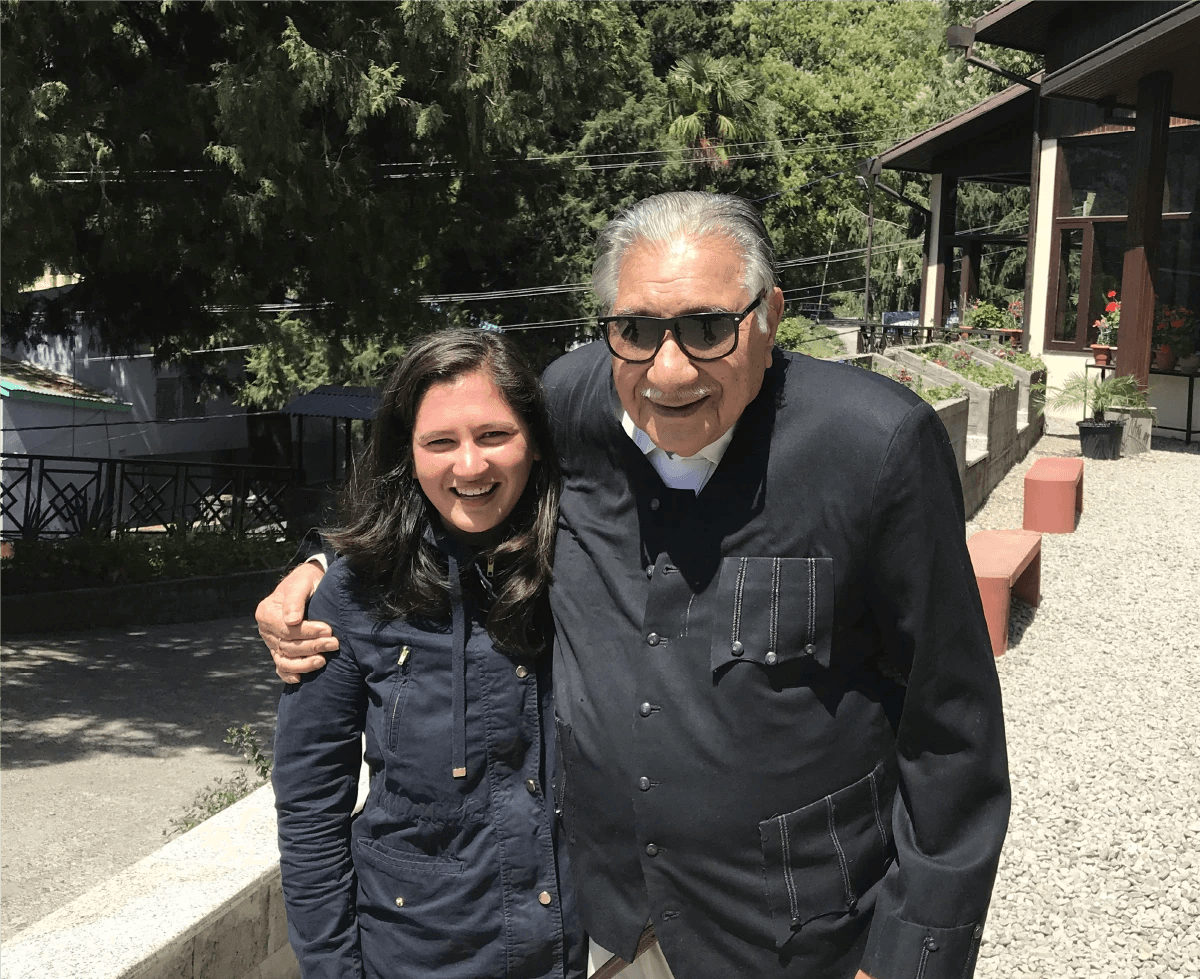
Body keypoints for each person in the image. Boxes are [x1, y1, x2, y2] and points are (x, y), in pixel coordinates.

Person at [260, 192, 1010, 979]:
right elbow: (458, 480)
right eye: (637, 330)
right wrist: (322, 567)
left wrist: (906, 960)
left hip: (798, 938)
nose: (669, 370)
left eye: (708, 327)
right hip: (612, 934)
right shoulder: (572, 403)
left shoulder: (872, 447)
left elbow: (950, 728)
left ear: (768, 316)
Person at [270, 328, 585, 979]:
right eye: (440, 442)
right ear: (406, 454)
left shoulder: (584, 564)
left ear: (533, 440)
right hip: (415, 954)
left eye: (493, 435)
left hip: (577, 948)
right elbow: (310, 807)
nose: (469, 466)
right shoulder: (353, 596)